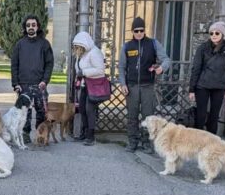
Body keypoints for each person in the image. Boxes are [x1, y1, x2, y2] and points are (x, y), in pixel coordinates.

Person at [118, 17, 171, 153]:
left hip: (148, 86)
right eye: (136, 31)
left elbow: (166, 59)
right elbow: (122, 67)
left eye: (142, 30)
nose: (139, 33)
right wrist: (123, 84)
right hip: (132, 87)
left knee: (149, 116)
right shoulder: (127, 46)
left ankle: (146, 143)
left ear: (144, 30)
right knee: (132, 116)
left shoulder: (153, 44)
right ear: (132, 31)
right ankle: (132, 142)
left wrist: (161, 68)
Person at [11, 14, 54, 144]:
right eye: (28, 25)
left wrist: (44, 81)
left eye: (33, 25)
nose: (31, 27)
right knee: (25, 112)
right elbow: (14, 65)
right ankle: (25, 134)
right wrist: (15, 84)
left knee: (41, 111)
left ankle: (40, 134)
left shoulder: (44, 44)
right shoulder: (19, 44)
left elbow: (49, 64)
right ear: (25, 27)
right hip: (23, 85)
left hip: (39, 84)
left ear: (38, 27)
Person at [188, 21, 225, 135]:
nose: (213, 35)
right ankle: (197, 139)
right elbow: (196, 68)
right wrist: (192, 89)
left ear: (222, 34)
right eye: (211, 33)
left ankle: (212, 141)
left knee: (214, 115)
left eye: (217, 33)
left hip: (219, 86)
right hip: (202, 85)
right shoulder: (203, 48)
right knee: (201, 115)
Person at [72, 31, 105, 146]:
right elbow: (79, 68)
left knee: (89, 110)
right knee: (82, 108)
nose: (77, 49)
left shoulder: (94, 52)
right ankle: (85, 132)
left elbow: (100, 70)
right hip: (84, 85)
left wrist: (84, 72)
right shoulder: (82, 54)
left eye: (78, 47)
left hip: (94, 86)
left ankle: (91, 136)